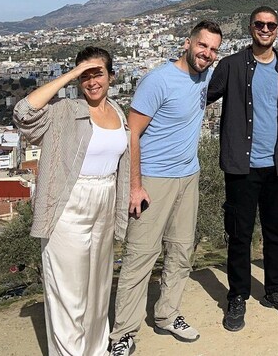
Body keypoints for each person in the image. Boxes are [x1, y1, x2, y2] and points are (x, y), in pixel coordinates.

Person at [108, 20, 223, 356]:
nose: (207, 54)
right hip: (153, 179)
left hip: (189, 176)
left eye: (214, 49)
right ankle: (123, 333)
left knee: (182, 251)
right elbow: (132, 133)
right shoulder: (157, 80)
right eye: (203, 46)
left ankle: (167, 314)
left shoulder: (204, 76)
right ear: (187, 44)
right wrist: (135, 186)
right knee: (140, 256)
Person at [13, 47, 130, 356]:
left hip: (105, 201)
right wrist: (70, 75)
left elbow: (123, 163)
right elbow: (23, 113)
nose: (92, 82)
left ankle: (97, 349)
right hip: (68, 202)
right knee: (68, 291)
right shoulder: (64, 110)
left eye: (98, 73)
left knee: (98, 286)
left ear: (111, 76)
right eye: (85, 76)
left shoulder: (118, 112)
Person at [207, 6, 278, 332]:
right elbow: (202, 95)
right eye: (259, 24)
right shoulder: (232, 65)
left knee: (275, 231)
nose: (265, 29)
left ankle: (275, 289)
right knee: (239, 233)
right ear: (250, 27)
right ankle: (237, 296)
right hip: (242, 164)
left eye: (271, 25)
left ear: (277, 29)